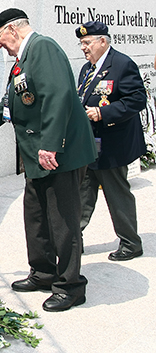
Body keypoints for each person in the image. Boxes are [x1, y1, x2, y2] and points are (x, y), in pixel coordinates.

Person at [0, 8, 97, 312]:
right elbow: (8, 104)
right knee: (36, 215)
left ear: (13, 30)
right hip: (37, 156)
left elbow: (59, 96)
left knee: (63, 221)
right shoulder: (22, 63)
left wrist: (51, 145)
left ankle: (70, 286)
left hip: (59, 155)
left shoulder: (43, 48)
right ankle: (43, 272)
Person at [75, 21, 146, 261]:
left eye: (87, 43)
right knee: (83, 192)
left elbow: (136, 100)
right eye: (81, 43)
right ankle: (74, 239)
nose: (83, 48)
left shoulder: (122, 64)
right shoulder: (87, 69)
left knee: (116, 193)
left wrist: (102, 113)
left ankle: (130, 243)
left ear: (102, 41)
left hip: (113, 144)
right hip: (89, 144)